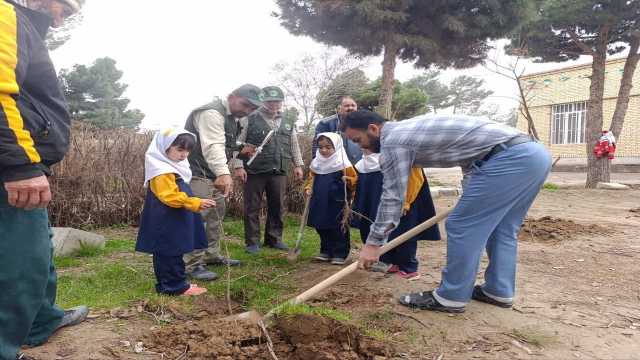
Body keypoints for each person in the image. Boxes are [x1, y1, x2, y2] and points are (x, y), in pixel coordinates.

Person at [342, 110, 551, 313]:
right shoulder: (408, 129)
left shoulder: (393, 142)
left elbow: (392, 197)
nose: (362, 148)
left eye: (359, 140)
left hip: (508, 159)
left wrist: (373, 243)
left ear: (373, 129)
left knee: (462, 224)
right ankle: (498, 290)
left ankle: (451, 297)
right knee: (502, 228)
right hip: (533, 155)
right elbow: (471, 156)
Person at [0, 1, 89, 359]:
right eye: (64, 8)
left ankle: (41, 321)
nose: (62, 18)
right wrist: (20, 165)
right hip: (12, 163)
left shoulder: (24, 25)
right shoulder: (6, 14)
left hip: (20, 161)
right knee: (21, 260)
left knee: (38, 248)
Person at [183, 84, 263, 281]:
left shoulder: (233, 119)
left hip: (211, 173)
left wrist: (241, 150)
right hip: (196, 172)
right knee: (198, 217)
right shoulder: (211, 113)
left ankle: (211, 255)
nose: (248, 111)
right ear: (232, 97)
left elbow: (227, 142)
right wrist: (223, 173)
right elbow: (213, 145)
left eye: (253, 108)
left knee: (216, 213)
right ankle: (191, 264)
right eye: (246, 105)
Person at [136, 128, 214, 296]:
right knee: (168, 251)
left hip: (173, 216)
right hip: (165, 218)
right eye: (179, 149)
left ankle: (177, 282)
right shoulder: (161, 171)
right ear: (164, 147)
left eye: (187, 150)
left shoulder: (172, 166)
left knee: (175, 249)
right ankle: (173, 287)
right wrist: (195, 202)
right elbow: (169, 196)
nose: (184, 154)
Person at [232, 86, 304, 254]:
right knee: (252, 206)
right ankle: (252, 242)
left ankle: (274, 239)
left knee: (277, 205)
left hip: (279, 169)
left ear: (281, 102)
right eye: (270, 101)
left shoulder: (288, 120)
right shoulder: (250, 118)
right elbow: (238, 144)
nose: (273, 104)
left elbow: (293, 144)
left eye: (277, 101)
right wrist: (238, 166)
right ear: (263, 101)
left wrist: (298, 165)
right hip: (254, 169)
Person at [351, 151, 440, 280]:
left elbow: (415, 179)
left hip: (402, 203)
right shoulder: (363, 164)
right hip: (381, 205)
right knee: (388, 233)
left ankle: (409, 268)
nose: (363, 148)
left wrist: (406, 202)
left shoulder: (400, 156)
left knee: (404, 234)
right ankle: (394, 263)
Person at [305, 132, 357, 265]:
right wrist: (308, 188)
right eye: (320, 147)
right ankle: (326, 250)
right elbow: (312, 178)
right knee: (321, 225)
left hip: (336, 202)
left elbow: (355, 180)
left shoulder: (343, 164)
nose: (324, 150)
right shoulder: (316, 163)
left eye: (328, 147)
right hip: (319, 200)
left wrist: (349, 180)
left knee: (337, 227)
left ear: (337, 147)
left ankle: (340, 252)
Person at [313, 96, 362, 164]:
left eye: (353, 105)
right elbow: (317, 147)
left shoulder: (362, 122)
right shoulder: (325, 123)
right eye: (346, 106)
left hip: (359, 165)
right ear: (339, 109)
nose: (350, 108)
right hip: (335, 167)